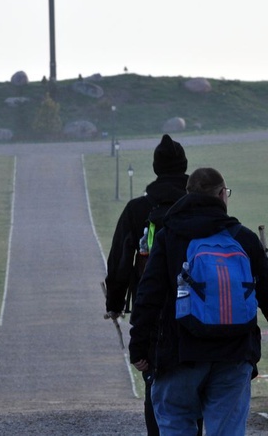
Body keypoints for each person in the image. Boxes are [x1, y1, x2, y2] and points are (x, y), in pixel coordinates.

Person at [128, 167, 268, 436]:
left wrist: (140, 347)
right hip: (235, 355)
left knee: (175, 419)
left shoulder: (169, 237)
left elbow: (148, 296)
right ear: (223, 194)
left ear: (187, 195)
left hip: (180, 354)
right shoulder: (242, 237)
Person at [104, 134, 189, 436]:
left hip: (150, 310)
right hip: (197, 308)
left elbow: (119, 262)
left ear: (155, 168)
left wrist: (114, 304)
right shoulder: (200, 206)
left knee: (155, 387)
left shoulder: (136, 209)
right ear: (184, 167)